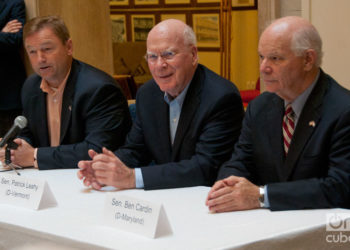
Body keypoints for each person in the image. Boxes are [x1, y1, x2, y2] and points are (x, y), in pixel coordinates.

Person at [77, 19, 244, 190]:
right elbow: (135, 150)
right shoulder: (148, 94)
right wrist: (104, 168)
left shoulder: (221, 97)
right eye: (152, 57)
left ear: (193, 55)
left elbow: (205, 168)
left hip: (204, 199)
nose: (159, 65)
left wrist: (133, 178)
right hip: (163, 196)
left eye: (168, 54)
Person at [206, 16, 350, 212]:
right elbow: (240, 161)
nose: (263, 68)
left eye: (275, 58)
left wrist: (262, 196)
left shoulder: (343, 110)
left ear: (308, 60)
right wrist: (227, 186)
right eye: (261, 57)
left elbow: (340, 187)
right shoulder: (259, 107)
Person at [0, 16, 132, 170]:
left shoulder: (99, 89)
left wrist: (34, 155)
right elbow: (29, 132)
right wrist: (18, 146)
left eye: (47, 49)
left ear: (69, 47)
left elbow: (95, 150)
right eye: (32, 52)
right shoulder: (31, 86)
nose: (40, 59)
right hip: (48, 177)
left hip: (93, 180)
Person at [0, 0, 27, 136]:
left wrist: (6, 35)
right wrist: (2, 33)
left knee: (10, 149)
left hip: (7, 96)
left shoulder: (14, 3)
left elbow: (15, 39)